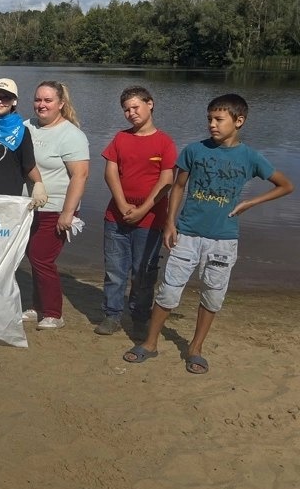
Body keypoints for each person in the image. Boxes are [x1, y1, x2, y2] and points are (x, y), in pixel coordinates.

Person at [124, 94, 293, 374]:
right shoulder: (194, 150)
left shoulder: (250, 157)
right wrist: (170, 223)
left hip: (224, 240)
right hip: (187, 234)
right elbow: (178, 187)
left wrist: (250, 203)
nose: (212, 125)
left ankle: (195, 348)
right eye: (209, 119)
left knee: (213, 296)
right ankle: (150, 343)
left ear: (239, 121)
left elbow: (285, 185)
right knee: (168, 292)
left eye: (219, 119)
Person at [96, 87, 177, 336]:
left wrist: (142, 209)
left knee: (143, 273)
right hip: (116, 218)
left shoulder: (164, 142)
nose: (131, 113)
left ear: (150, 104)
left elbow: (166, 181)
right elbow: (110, 172)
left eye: (135, 107)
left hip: (150, 220)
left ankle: (140, 317)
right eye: (126, 110)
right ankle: (112, 315)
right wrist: (121, 205)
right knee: (114, 271)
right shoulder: (120, 138)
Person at [23, 81, 90, 330]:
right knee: (33, 256)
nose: (42, 105)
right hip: (29, 207)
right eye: (38, 99)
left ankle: (53, 313)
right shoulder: (27, 126)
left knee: (42, 257)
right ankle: (37, 306)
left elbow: (80, 176)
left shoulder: (71, 135)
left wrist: (68, 213)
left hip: (57, 208)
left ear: (61, 104)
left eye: (48, 100)